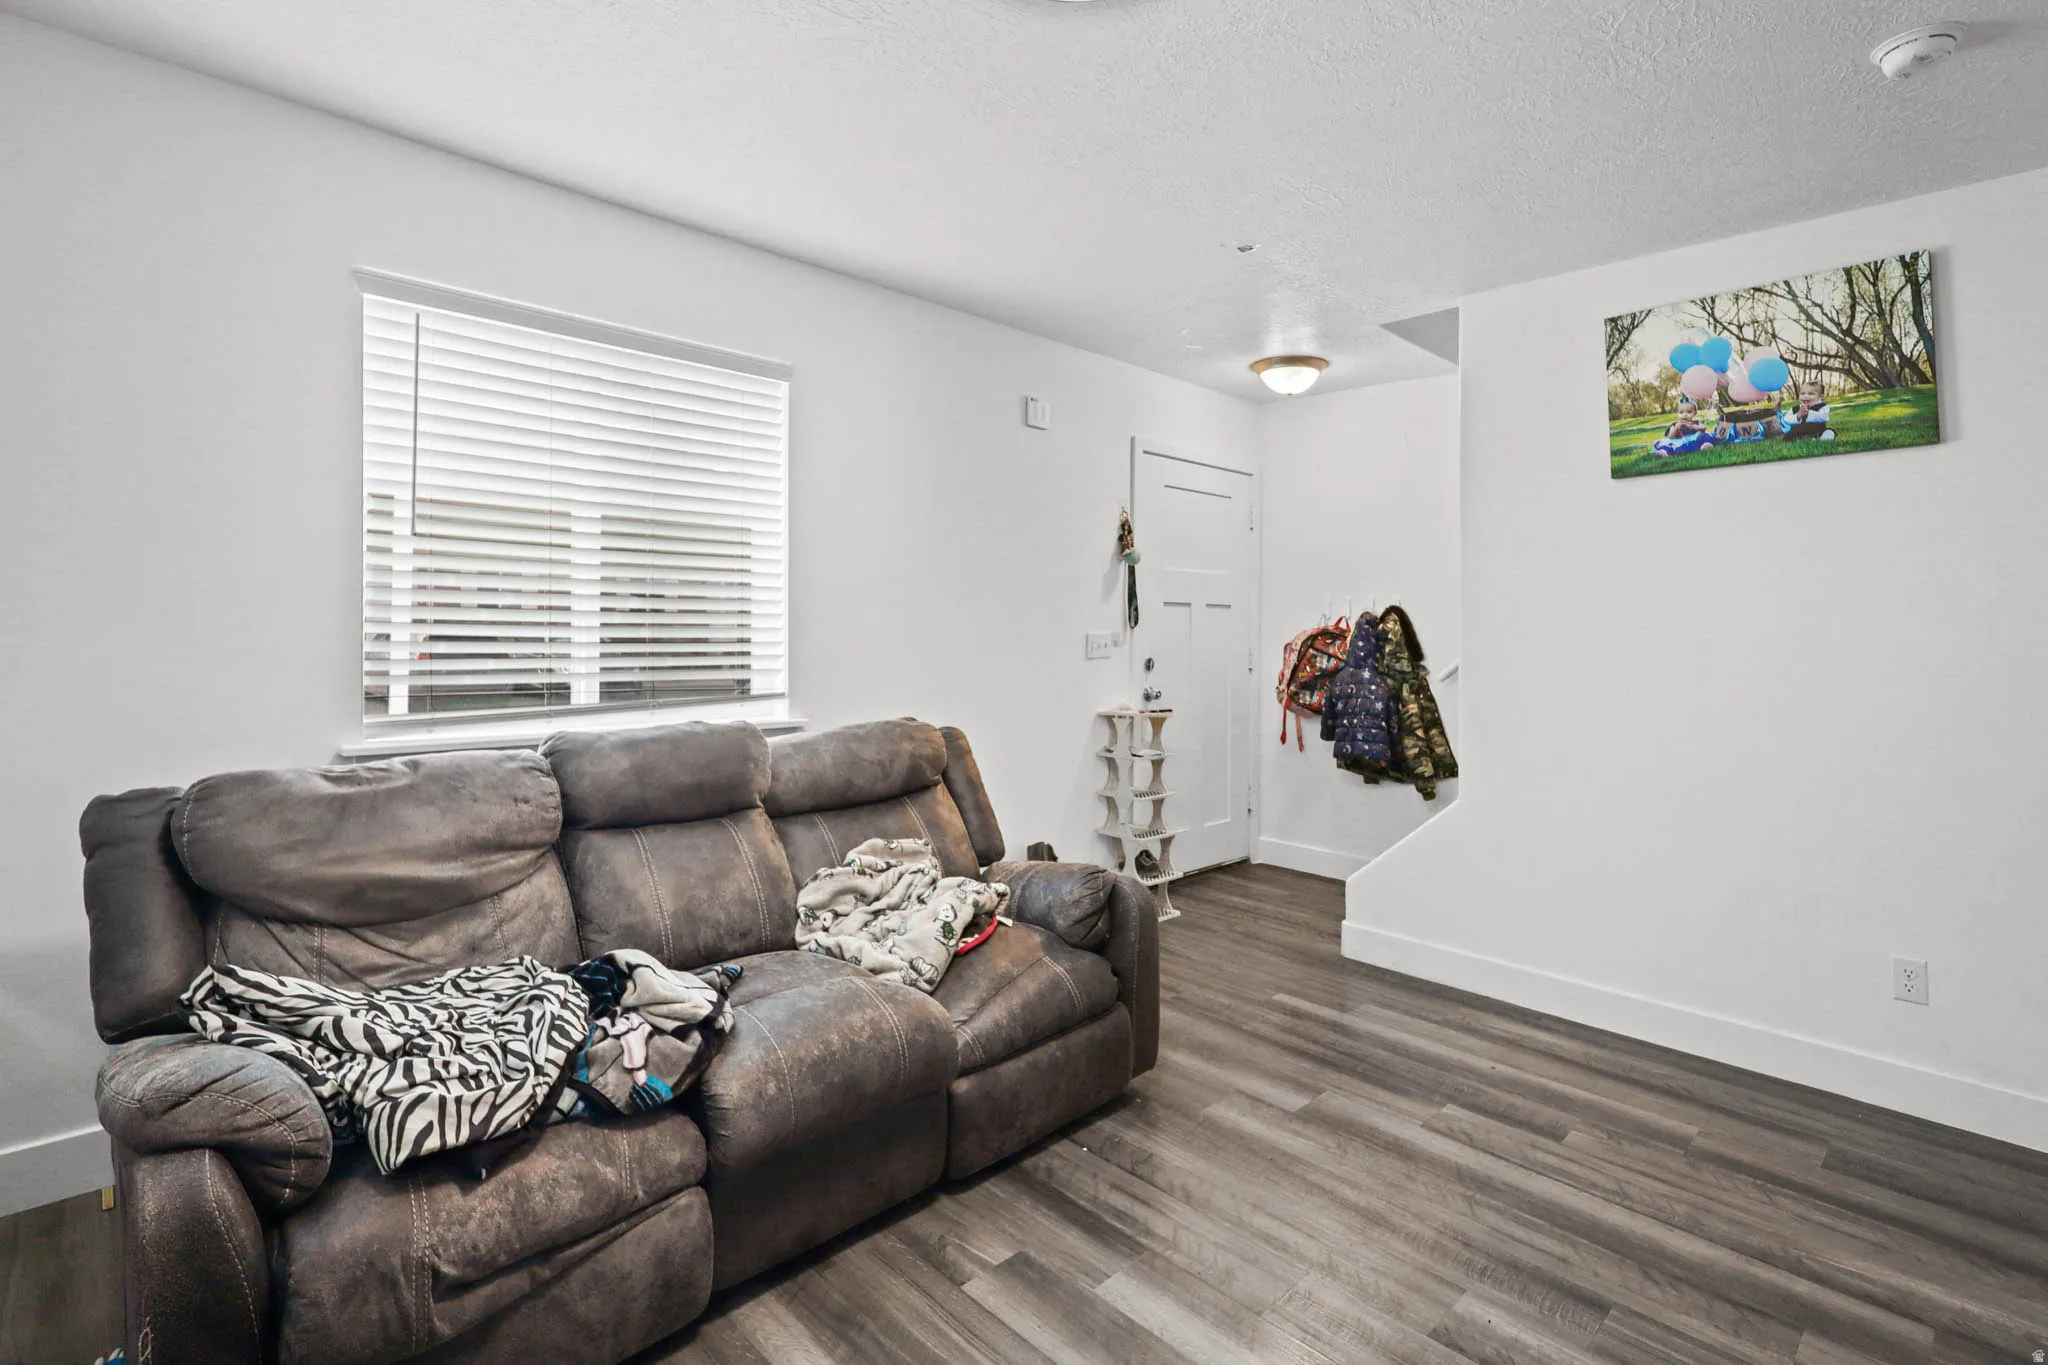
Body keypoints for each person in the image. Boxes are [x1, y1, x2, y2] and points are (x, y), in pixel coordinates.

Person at [1652, 398, 1719, 457]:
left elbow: (1704, 428)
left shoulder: (1695, 423)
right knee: (1667, 444)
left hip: (1693, 440)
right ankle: (1665, 452)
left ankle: (1705, 445)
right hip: (1679, 442)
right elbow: (1671, 437)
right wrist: (1676, 429)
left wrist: (1695, 427)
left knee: (1703, 435)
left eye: (1689, 412)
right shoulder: (1675, 425)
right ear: (1677, 414)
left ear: (1695, 413)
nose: (1685, 415)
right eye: (1681, 412)